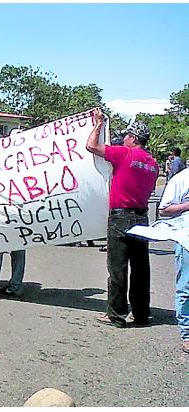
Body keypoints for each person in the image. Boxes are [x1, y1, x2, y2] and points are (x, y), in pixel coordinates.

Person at [86, 108, 159, 328]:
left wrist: (98, 124)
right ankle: (141, 313)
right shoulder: (153, 164)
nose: (123, 138)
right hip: (142, 217)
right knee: (140, 269)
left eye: (127, 135)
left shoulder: (124, 153)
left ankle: (116, 314)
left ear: (133, 139)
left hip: (121, 217)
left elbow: (91, 146)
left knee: (117, 268)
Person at [158, 168, 189, 353]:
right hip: (187, 241)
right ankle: (187, 334)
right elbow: (164, 210)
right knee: (186, 287)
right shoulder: (181, 179)